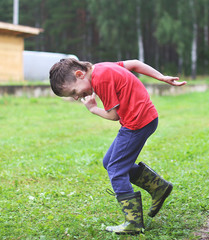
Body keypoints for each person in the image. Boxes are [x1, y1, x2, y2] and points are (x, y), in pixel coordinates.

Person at [49, 58, 187, 234]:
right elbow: (135, 63)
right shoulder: (100, 68)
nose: (76, 97)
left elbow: (113, 115)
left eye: (74, 91)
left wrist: (93, 109)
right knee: (109, 162)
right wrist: (161, 77)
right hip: (144, 118)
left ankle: (133, 223)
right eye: (73, 96)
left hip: (137, 124)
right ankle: (158, 187)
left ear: (79, 74)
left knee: (116, 169)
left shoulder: (100, 80)